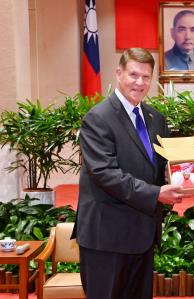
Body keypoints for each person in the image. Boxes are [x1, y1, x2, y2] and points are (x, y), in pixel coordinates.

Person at [73, 47, 183, 299]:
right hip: (107, 238)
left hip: (142, 234)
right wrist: (157, 194)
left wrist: (181, 176)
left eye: (146, 77)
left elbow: (159, 166)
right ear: (119, 74)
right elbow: (105, 173)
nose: (139, 82)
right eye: (134, 75)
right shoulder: (98, 117)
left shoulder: (156, 118)